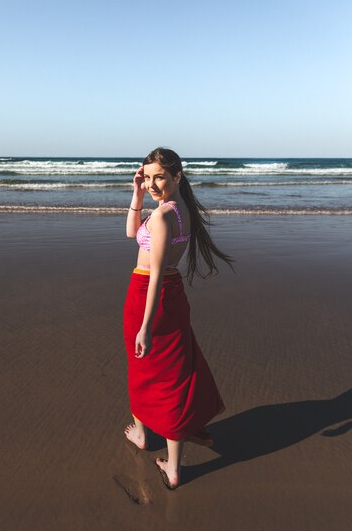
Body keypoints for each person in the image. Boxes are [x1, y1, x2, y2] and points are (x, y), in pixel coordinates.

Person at [123, 147, 234, 489]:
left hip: (148, 295)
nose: (153, 183)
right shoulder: (179, 209)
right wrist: (136, 194)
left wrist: (145, 326)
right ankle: (166, 455)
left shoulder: (161, 217)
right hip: (173, 296)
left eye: (160, 177)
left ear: (177, 176)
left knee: (146, 370)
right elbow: (131, 235)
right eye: (148, 176)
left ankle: (148, 440)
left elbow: (153, 274)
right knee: (173, 373)